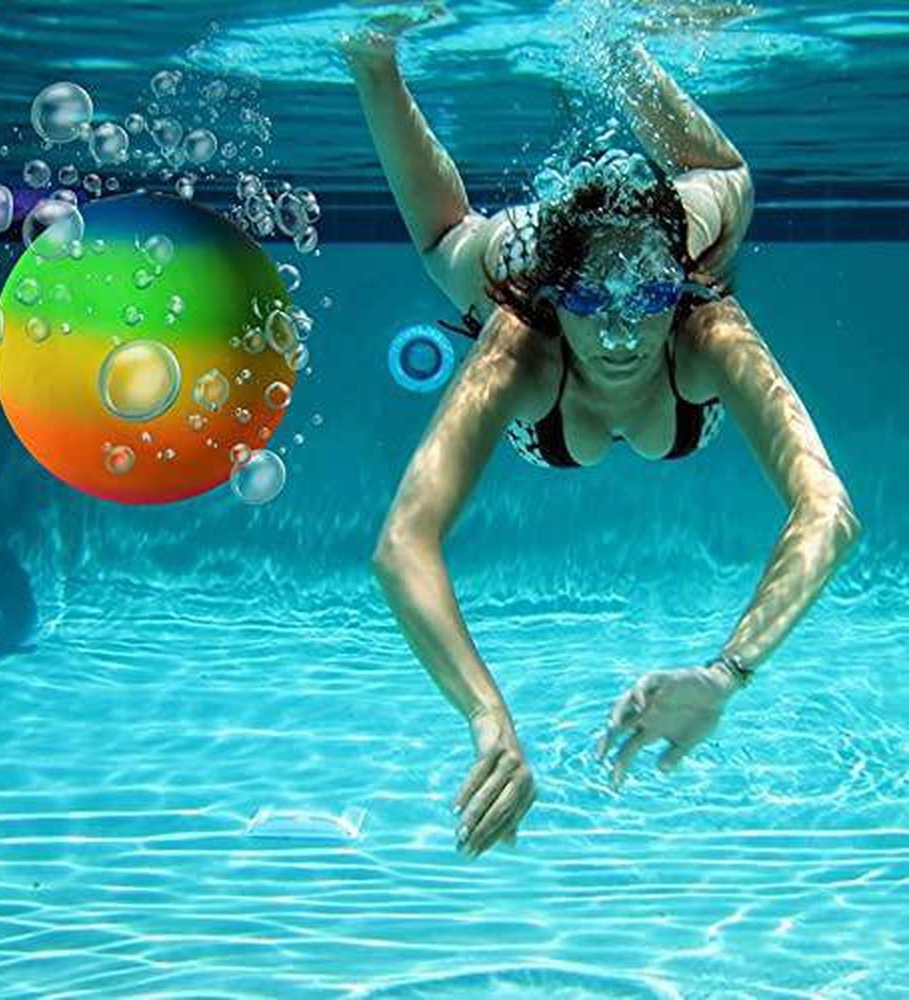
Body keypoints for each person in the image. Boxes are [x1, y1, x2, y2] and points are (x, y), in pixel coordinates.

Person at [340, 24, 862, 859]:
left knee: (727, 185)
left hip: (667, 226)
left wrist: (726, 673)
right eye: (591, 303)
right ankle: (373, 58)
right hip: (531, 248)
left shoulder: (705, 324)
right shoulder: (521, 338)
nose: (621, 333)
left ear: (677, 288)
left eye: (649, 298)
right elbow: (402, 543)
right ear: (558, 299)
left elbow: (827, 509)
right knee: (451, 246)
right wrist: (488, 716)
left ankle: (613, 39)